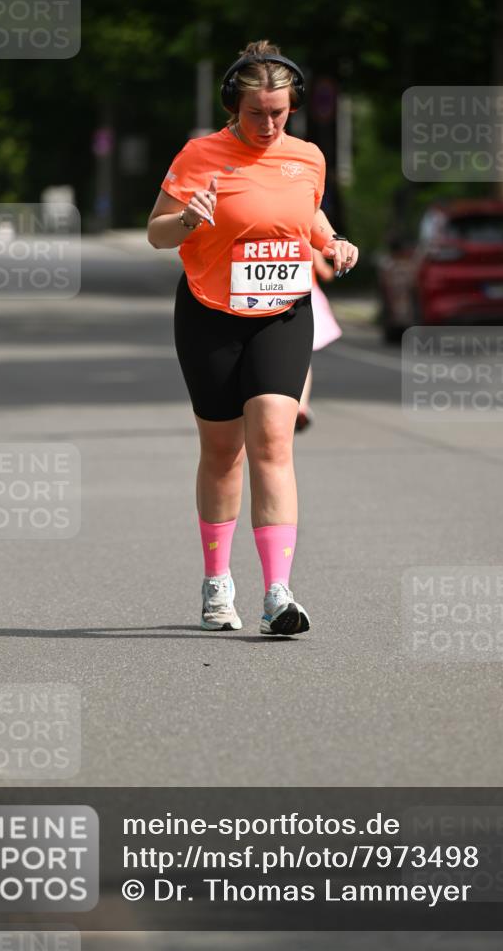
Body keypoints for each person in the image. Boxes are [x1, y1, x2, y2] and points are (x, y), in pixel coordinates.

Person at [147, 40, 358, 635]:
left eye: (279, 113)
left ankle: (278, 594)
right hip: (210, 313)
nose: (268, 125)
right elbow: (157, 233)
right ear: (232, 107)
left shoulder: (307, 157)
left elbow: (307, 214)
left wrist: (332, 242)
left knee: (272, 441)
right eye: (256, 113)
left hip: (283, 312)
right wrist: (189, 218)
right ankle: (217, 582)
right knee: (223, 453)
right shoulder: (200, 155)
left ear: (293, 107)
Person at [295, 248, 343, 431]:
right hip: (307, 295)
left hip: (277, 294)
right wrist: (334, 269)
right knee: (303, 359)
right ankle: (301, 406)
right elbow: (324, 272)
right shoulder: (308, 241)